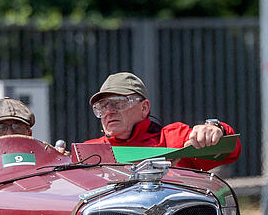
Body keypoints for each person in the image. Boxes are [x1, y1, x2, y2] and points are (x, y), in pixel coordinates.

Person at [83, 72, 241, 170]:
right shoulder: (89, 151)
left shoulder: (173, 138)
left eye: (118, 103)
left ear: (144, 108)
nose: (109, 112)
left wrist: (216, 129)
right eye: (102, 107)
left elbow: (230, 151)